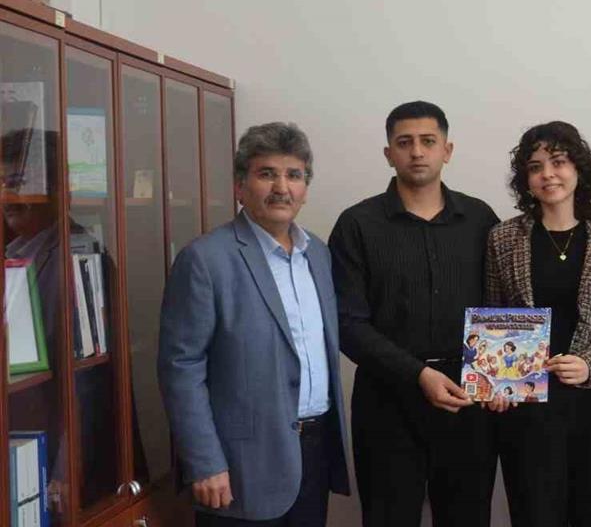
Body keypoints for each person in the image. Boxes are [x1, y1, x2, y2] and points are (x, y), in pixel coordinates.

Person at [158, 123, 350, 525]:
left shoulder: (318, 254)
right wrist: (205, 462)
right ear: (239, 187)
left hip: (314, 451)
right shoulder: (206, 260)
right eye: (267, 174)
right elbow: (181, 367)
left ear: (305, 188)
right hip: (240, 465)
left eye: (294, 175)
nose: (282, 187)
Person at [330, 101, 499, 526]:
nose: (417, 152)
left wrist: (503, 380)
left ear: (448, 150)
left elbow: (501, 307)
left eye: (428, 141)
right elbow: (347, 324)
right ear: (389, 154)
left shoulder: (480, 219)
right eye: (404, 143)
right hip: (387, 402)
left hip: (468, 400)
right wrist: (418, 374)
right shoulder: (357, 224)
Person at [483, 121, 591, 526]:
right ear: (526, 180)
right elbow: (494, 317)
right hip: (527, 407)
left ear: (579, 169)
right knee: (534, 515)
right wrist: (496, 384)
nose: (548, 174)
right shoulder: (503, 238)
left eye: (559, 162)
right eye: (535, 167)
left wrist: (588, 363)